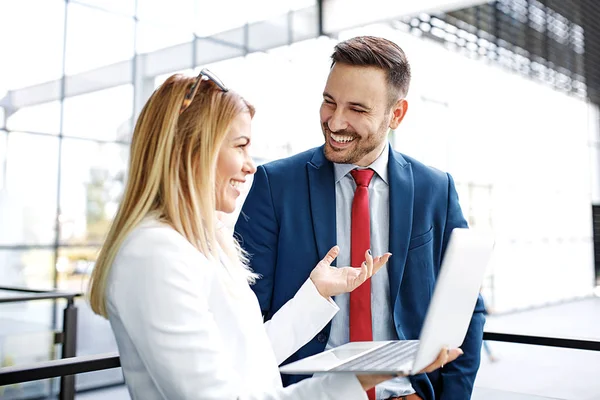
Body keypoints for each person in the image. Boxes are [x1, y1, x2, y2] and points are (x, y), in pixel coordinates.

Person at [86, 69, 459, 400]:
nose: (249, 166)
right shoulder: (154, 254)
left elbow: (250, 357)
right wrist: (356, 379)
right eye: (240, 146)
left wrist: (315, 294)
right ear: (192, 151)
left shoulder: (200, 243)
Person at [235, 36, 485, 400]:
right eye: (329, 102)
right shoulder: (275, 186)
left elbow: (468, 306)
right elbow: (243, 310)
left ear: (396, 114)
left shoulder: (435, 189)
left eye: (357, 109)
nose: (335, 121)